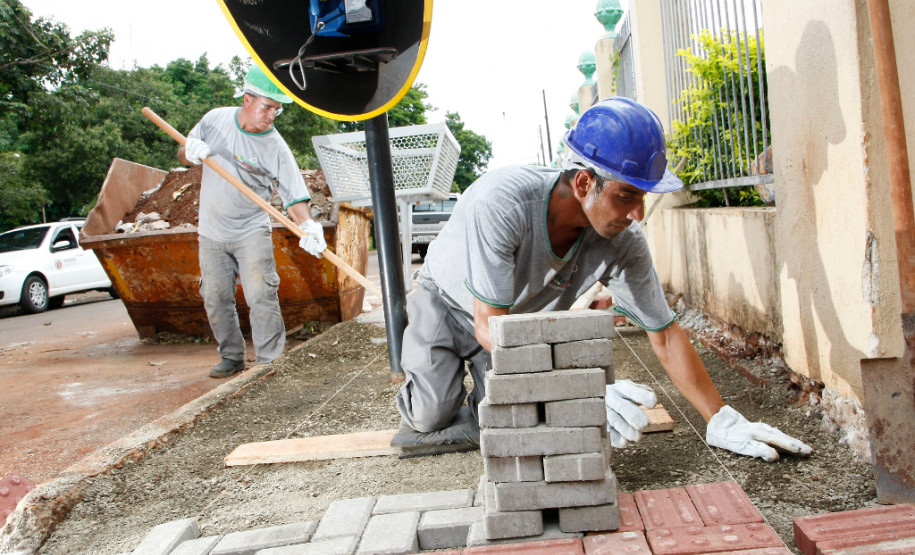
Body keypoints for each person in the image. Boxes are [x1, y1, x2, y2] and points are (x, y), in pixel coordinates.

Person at [394, 97, 812, 463]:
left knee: (518, 418)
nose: (638, 213)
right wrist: (578, 387)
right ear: (583, 182)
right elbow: (489, 326)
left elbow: (664, 334)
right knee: (431, 415)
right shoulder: (502, 202)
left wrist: (720, 418)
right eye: (627, 195)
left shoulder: (622, 241)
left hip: (514, 323)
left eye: (643, 197)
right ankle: (428, 367)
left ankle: (480, 400)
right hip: (449, 304)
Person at [178, 65, 327, 378]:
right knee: (215, 296)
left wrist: (308, 225)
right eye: (267, 107)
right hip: (211, 230)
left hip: (251, 230)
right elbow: (183, 149)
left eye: (277, 109)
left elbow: (294, 196)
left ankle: (269, 362)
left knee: (261, 294)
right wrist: (190, 152)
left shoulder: (275, 146)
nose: (272, 115)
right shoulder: (214, 119)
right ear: (247, 99)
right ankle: (231, 356)